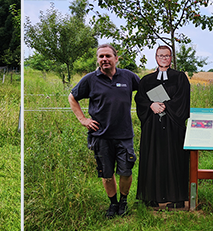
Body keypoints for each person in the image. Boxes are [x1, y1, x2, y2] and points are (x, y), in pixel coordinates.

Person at [69, 44, 141, 218]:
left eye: (108, 56)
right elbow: (72, 97)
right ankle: (113, 204)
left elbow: (146, 91)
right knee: (107, 174)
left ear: (116, 58)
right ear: (98, 60)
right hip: (100, 136)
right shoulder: (90, 79)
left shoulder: (129, 77)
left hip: (124, 135)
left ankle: (123, 201)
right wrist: (83, 119)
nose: (104, 59)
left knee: (126, 171)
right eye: (101, 56)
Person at [135, 45, 191, 209]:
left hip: (173, 127)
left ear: (171, 58)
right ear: (156, 57)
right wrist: (151, 105)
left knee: (175, 160)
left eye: (167, 56)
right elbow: (140, 99)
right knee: (152, 160)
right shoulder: (146, 80)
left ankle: (177, 199)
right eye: (161, 56)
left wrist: (165, 106)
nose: (164, 59)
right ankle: (151, 198)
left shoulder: (180, 78)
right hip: (152, 128)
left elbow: (183, 100)